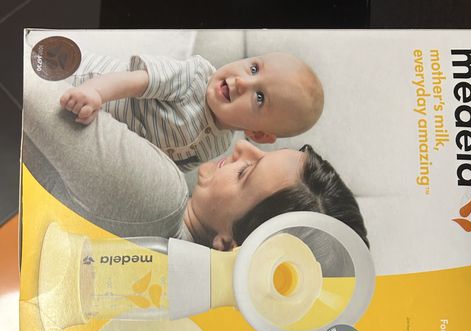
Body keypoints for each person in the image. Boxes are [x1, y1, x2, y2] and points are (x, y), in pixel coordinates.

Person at [23, 72, 367, 250]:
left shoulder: (161, 199)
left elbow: (26, 85)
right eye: (262, 153)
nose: (242, 148)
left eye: (245, 172)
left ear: (228, 244)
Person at [58, 51, 325, 170]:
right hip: (86, 82)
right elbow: (134, 81)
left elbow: (171, 166)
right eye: (254, 68)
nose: (242, 82)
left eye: (259, 97)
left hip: (102, 132)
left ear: (258, 134)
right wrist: (95, 92)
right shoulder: (194, 77)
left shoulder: (219, 144)